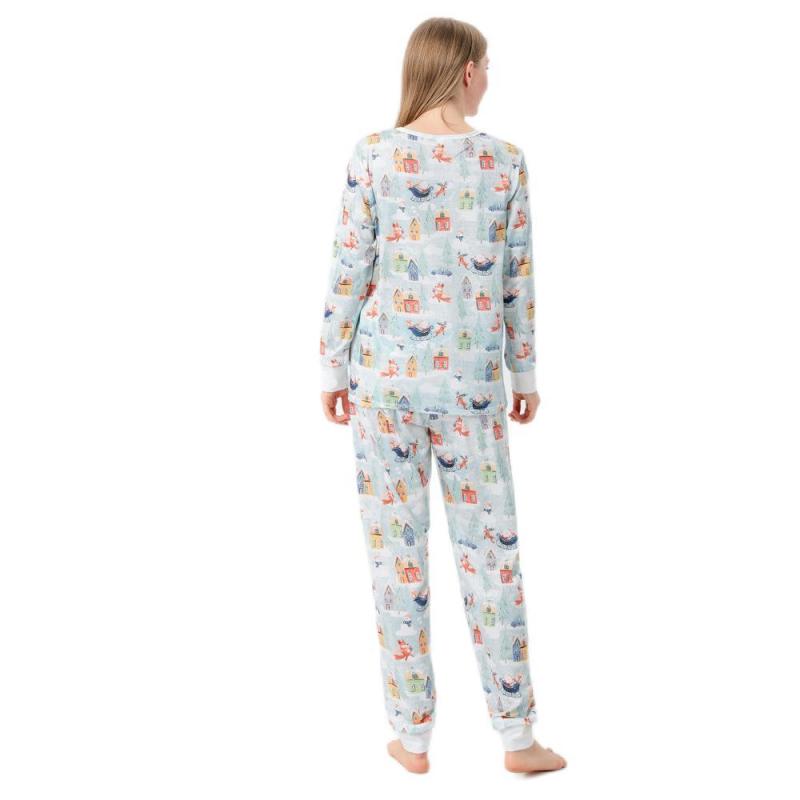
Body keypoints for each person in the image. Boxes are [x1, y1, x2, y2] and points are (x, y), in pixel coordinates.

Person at [318, 16, 566, 776]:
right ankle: (517, 739)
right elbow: (517, 282)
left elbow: (349, 268)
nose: (490, 78)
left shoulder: (373, 155)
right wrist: (524, 377)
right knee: (492, 556)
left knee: (396, 559)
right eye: (486, 66)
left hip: (383, 386)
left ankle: (413, 738)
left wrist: (332, 370)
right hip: (472, 391)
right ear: (463, 71)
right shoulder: (504, 164)